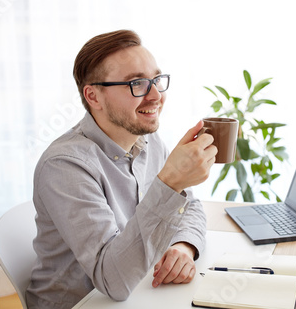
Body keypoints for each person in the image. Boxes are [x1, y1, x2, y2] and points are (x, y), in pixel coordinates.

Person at [26, 29, 217, 308]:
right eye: (137, 83)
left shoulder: (148, 140)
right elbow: (112, 282)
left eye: (156, 80)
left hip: (141, 292)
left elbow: (188, 207)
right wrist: (170, 184)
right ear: (93, 97)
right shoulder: (65, 166)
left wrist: (182, 247)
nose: (155, 96)